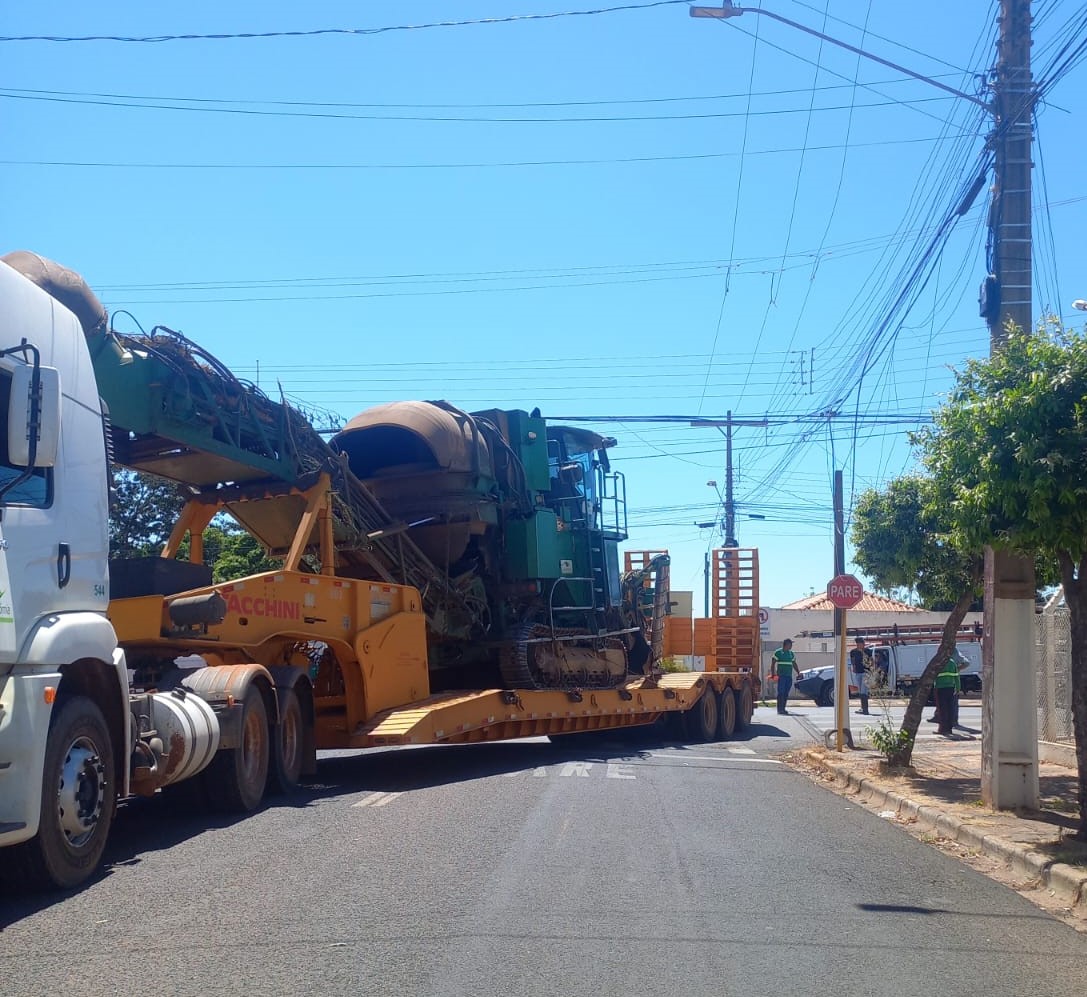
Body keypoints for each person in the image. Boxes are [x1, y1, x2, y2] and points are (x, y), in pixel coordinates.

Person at [933, 653, 961, 736]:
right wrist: (958, 688)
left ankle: (943, 729)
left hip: (940, 688)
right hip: (951, 688)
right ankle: (949, 728)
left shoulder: (939, 662)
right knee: (950, 708)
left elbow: (933, 676)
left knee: (942, 709)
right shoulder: (952, 662)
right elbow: (956, 676)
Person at [769, 638, 799, 715]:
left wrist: (798, 672)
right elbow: (773, 664)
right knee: (781, 692)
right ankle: (780, 709)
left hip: (789, 676)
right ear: (786, 644)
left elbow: (794, 663)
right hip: (781, 676)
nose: (791, 646)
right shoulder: (778, 652)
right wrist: (773, 674)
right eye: (790, 644)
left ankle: (783, 708)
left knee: (786, 693)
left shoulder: (791, 653)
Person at [849, 636, 873, 715]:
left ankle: (865, 709)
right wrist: (853, 667)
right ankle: (863, 708)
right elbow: (853, 661)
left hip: (866, 673)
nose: (859, 645)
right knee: (860, 691)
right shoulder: (853, 652)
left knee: (864, 690)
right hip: (858, 673)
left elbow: (871, 661)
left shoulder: (868, 651)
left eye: (861, 643)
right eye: (858, 643)